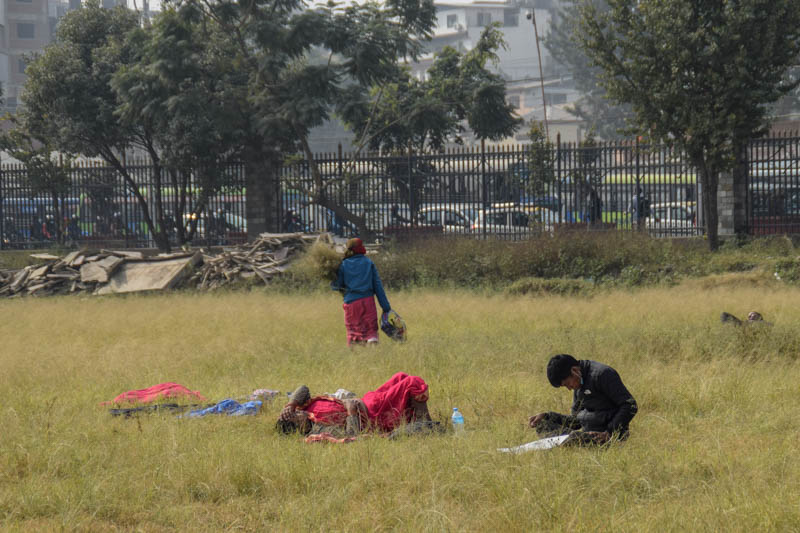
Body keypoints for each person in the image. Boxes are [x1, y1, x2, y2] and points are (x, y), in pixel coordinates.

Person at [277, 372, 432, 437]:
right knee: (412, 383)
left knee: (401, 376)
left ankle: (421, 422)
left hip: (368, 401)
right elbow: (351, 436)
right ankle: (425, 423)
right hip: (372, 414)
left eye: (295, 412)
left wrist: (289, 406)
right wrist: (351, 412)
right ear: (298, 428)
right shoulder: (319, 429)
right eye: (295, 417)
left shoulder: (305, 407)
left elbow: (303, 388)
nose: (298, 413)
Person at [528, 354, 638, 445]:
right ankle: (569, 442)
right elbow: (576, 422)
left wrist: (609, 432)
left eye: (567, 384)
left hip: (604, 437)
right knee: (543, 425)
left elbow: (630, 405)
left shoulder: (602, 374)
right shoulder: (578, 382)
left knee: (573, 438)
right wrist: (548, 416)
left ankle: (571, 443)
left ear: (574, 370)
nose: (569, 388)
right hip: (585, 436)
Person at [331, 237, 391, 345]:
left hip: (351, 305)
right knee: (371, 332)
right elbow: (378, 286)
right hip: (367, 302)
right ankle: (373, 355)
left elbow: (337, 285)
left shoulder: (343, 265)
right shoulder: (368, 263)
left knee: (353, 333)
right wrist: (386, 307)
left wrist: (332, 278)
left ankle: (356, 359)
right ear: (360, 248)